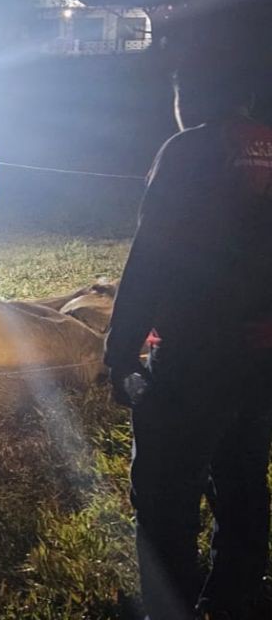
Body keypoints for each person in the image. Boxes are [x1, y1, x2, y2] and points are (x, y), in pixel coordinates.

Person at [104, 45, 272, 620]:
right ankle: (235, 594)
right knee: (244, 476)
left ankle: (170, 604)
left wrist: (120, 347)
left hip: (195, 352)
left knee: (164, 491)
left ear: (191, 96)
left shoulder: (190, 150)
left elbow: (153, 255)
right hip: (259, 354)